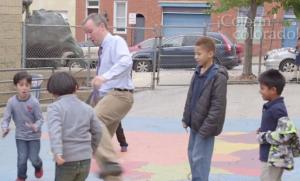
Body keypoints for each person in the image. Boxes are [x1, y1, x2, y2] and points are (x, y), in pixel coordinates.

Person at [82, 13, 134, 180]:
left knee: (94, 121)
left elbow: (126, 61)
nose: (88, 36)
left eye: (90, 32)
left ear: (102, 27)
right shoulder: (103, 49)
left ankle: (111, 163)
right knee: (97, 142)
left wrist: (105, 77)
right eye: (86, 33)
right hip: (108, 97)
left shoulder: (115, 41)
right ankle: (112, 175)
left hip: (119, 95)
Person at [181, 37, 228, 181]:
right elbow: (190, 97)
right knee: (192, 155)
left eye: (199, 54)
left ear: (210, 54)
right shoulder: (198, 72)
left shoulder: (218, 76)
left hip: (206, 127)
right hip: (195, 123)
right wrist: (186, 118)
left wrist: (206, 128)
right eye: (195, 54)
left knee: (200, 159)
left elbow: (217, 106)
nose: (196, 57)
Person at [46, 72, 102, 181]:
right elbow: (98, 131)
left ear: (52, 91)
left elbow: (55, 131)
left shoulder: (55, 108)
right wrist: (92, 149)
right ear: (75, 87)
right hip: (85, 159)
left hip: (66, 159)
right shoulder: (87, 108)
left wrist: (57, 152)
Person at [1, 71, 44, 181]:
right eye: (21, 85)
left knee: (33, 158)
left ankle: (38, 166)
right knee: (22, 159)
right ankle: (21, 177)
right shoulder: (11, 102)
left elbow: (40, 119)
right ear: (16, 86)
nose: (24, 88)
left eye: (27, 85)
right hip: (20, 136)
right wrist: (4, 127)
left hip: (34, 136)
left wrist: (36, 126)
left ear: (30, 86)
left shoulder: (34, 102)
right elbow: (6, 118)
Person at [256, 69, 288, 181]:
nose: (260, 91)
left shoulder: (278, 109)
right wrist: (262, 129)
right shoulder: (272, 106)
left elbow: (285, 134)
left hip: (275, 156)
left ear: (273, 90)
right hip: (270, 155)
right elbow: (275, 126)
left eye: (262, 88)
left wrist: (263, 136)